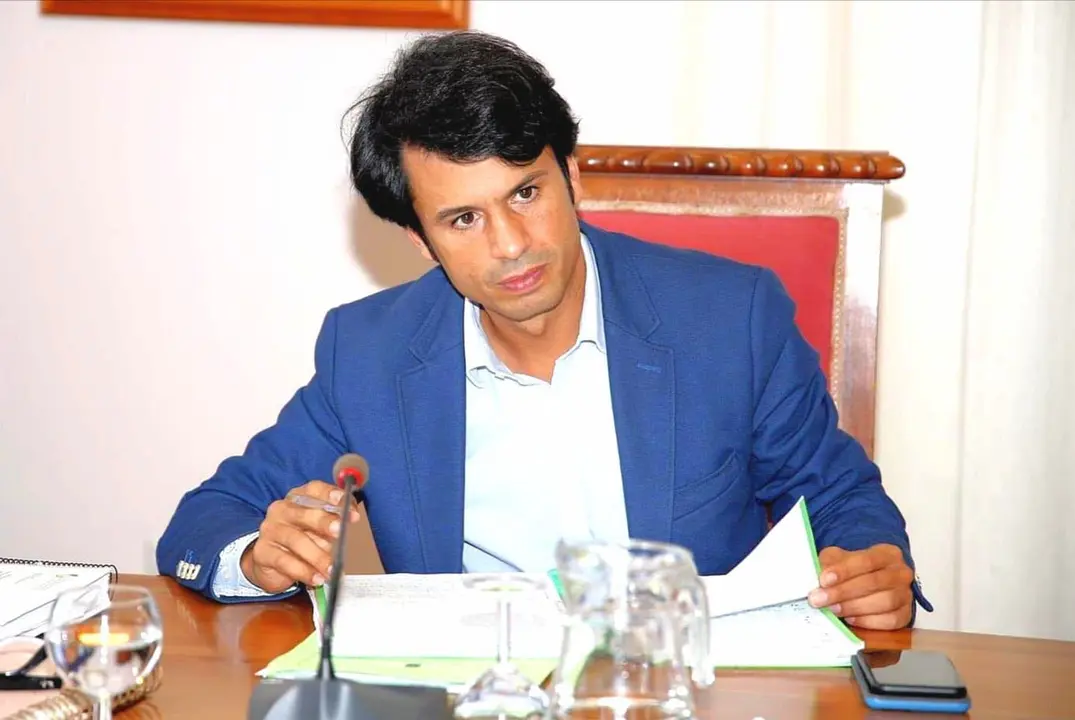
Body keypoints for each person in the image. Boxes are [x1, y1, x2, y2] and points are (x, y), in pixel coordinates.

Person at [156, 30, 931, 630]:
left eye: (525, 193)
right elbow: (206, 519)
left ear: (572, 176)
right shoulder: (368, 354)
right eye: (463, 218)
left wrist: (869, 566)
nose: (510, 245)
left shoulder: (730, 319)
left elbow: (842, 498)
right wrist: (257, 557)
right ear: (420, 240)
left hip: (675, 686)